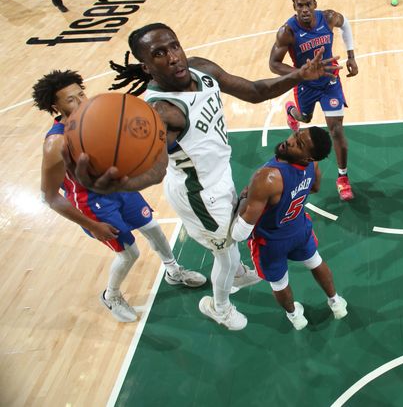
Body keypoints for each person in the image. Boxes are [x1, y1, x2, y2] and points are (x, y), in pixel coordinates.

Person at [65, 22, 339, 331]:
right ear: (146, 65)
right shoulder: (160, 112)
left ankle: (234, 274)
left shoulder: (200, 68)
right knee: (226, 251)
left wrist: (297, 76)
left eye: (173, 46)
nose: (172, 57)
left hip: (220, 175)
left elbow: (254, 91)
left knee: (232, 242)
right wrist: (121, 183)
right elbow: (155, 170)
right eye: (159, 53)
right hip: (199, 193)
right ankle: (219, 307)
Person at [34, 70, 207, 322]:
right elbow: (49, 198)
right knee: (129, 253)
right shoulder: (56, 144)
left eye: (82, 94)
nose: (82, 101)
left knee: (153, 228)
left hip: (116, 189)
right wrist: (92, 225)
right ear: (55, 106)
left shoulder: (96, 119)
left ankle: (173, 271)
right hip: (91, 204)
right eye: (71, 99)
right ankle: (111, 295)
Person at [231, 127, 348, 330]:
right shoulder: (313, 165)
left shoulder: (267, 178)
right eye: (296, 135)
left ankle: (295, 317)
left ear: (308, 156)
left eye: (299, 144)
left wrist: (243, 199)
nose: (290, 141)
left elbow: (239, 234)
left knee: (279, 284)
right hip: (299, 229)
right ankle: (336, 302)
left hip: (271, 241)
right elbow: (315, 188)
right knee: (315, 262)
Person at [269, 0, 359, 202]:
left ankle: (343, 178)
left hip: (330, 81)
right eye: (300, 5)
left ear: (315, 5)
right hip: (305, 85)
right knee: (305, 118)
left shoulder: (328, 18)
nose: (305, 9)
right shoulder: (287, 32)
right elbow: (273, 64)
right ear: (294, 7)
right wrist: (301, 73)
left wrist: (351, 56)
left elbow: (345, 25)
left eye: (308, 4)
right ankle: (292, 112)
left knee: (336, 129)